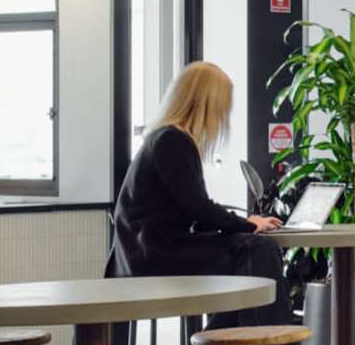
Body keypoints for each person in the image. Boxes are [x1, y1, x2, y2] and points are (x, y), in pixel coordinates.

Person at [115, 61, 278, 280]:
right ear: (209, 105)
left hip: (145, 251)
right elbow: (199, 208)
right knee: (259, 248)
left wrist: (243, 224)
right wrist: (248, 224)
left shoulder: (164, 138)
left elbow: (194, 209)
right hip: (155, 254)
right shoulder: (172, 141)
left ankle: (239, 315)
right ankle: (269, 316)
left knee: (243, 248)